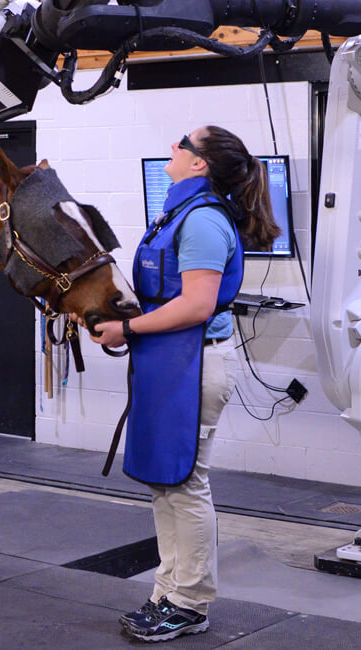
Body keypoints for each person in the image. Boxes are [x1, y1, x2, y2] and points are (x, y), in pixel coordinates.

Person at [88, 125, 279, 642]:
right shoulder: (179, 215)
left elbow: (195, 305)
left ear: (199, 165)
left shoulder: (202, 222)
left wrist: (127, 328)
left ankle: (190, 603)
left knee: (187, 483)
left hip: (196, 366)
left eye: (182, 143)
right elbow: (166, 296)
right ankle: (169, 591)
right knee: (166, 483)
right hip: (173, 361)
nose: (172, 147)